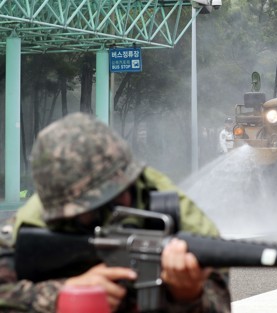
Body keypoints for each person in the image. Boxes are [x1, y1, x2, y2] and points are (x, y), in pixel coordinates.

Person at [0, 112, 231, 313]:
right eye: (90, 208)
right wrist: (60, 295)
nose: (111, 210)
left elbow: (220, 305)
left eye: (116, 194)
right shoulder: (35, 223)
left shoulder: (186, 223)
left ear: (131, 180)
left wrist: (188, 295)